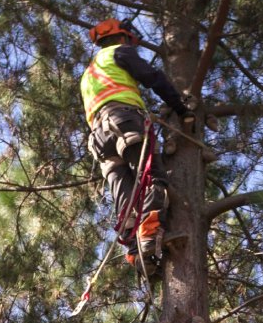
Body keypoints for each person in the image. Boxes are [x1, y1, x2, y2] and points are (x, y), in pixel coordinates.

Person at [81, 17, 190, 274]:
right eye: (130, 42)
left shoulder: (88, 73)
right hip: (124, 121)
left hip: (99, 139)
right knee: (153, 179)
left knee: (126, 199)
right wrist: (180, 107)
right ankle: (150, 238)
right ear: (122, 38)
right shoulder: (119, 53)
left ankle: (138, 256)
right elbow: (152, 77)